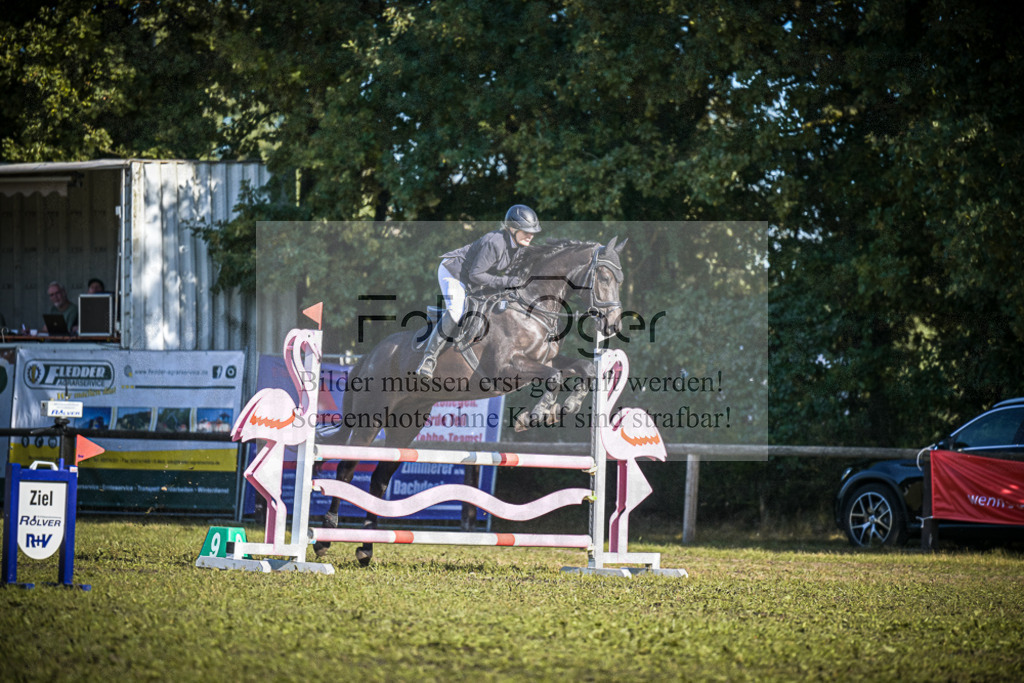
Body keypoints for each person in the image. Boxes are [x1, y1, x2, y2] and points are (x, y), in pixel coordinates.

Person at [415, 204, 542, 378]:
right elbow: (476, 275)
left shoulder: (520, 248)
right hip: (454, 272)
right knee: (457, 310)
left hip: (474, 277)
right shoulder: (494, 242)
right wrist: (505, 281)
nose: (530, 235)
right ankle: (428, 358)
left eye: (532, 231)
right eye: (526, 230)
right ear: (512, 228)